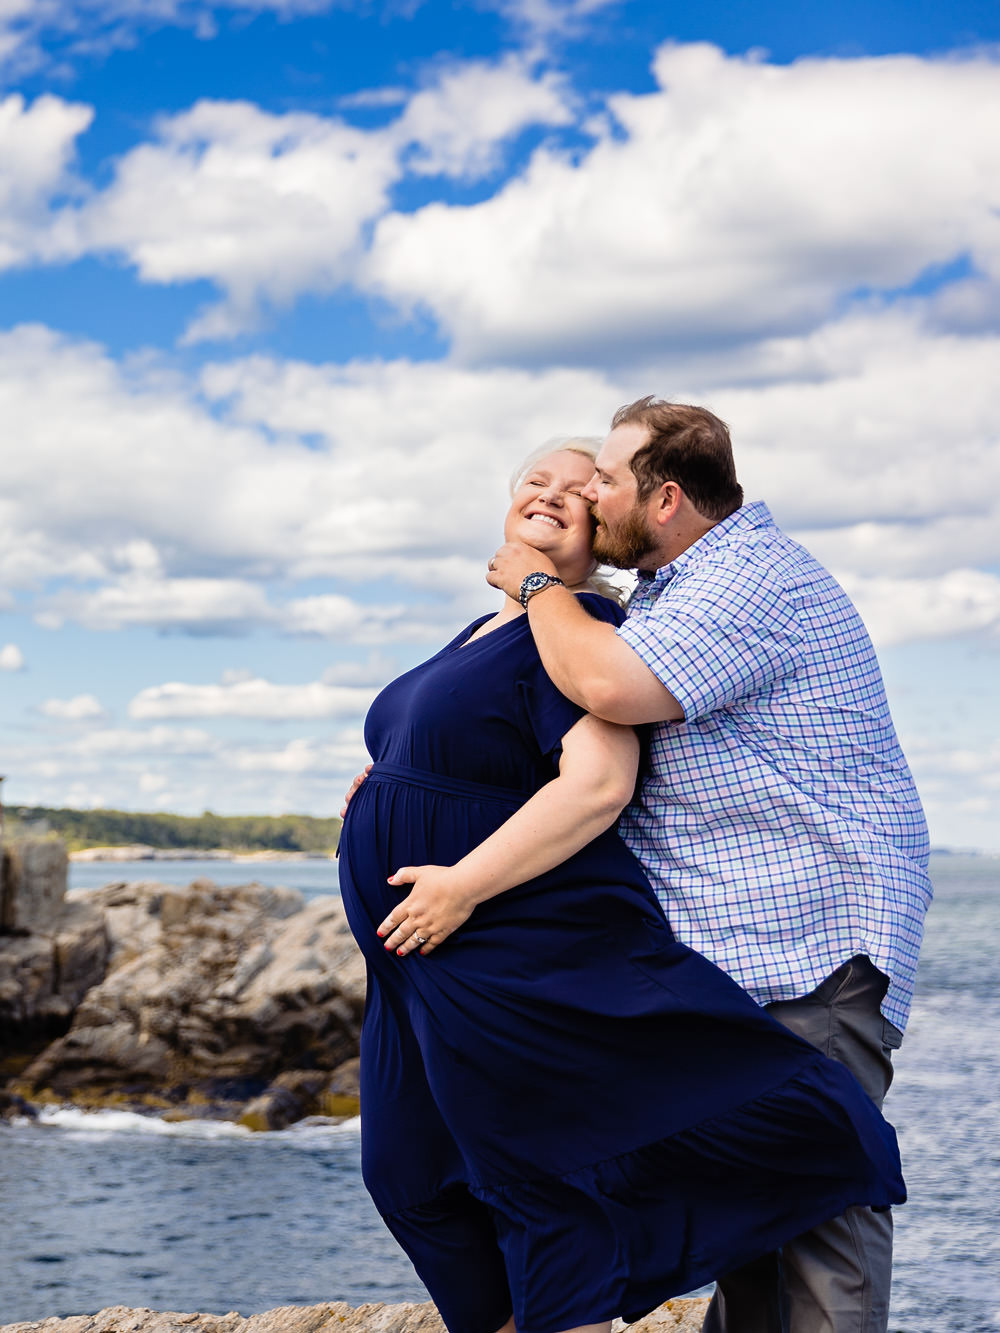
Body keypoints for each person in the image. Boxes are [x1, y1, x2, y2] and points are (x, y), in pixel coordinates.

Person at [340, 440, 903, 1333]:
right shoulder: (486, 631)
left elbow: (598, 782)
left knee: (539, 1174)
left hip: (490, 935)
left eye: (581, 490)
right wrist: (394, 781)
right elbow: (471, 746)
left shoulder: (585, 632)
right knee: (410, 1173)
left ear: (607, 530)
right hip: (416, 966)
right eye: (536, 479)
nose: (555, 494)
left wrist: (460, 882)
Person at [486, 401, 930, 1333]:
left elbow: (606, 683)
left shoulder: (747, 578)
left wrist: (536, 585)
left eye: (604, 479)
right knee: (753, 1216)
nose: (588, 494)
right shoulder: (671, 591)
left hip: (811, 951)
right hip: (740, 957)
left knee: (819, 1202)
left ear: (669, 498)